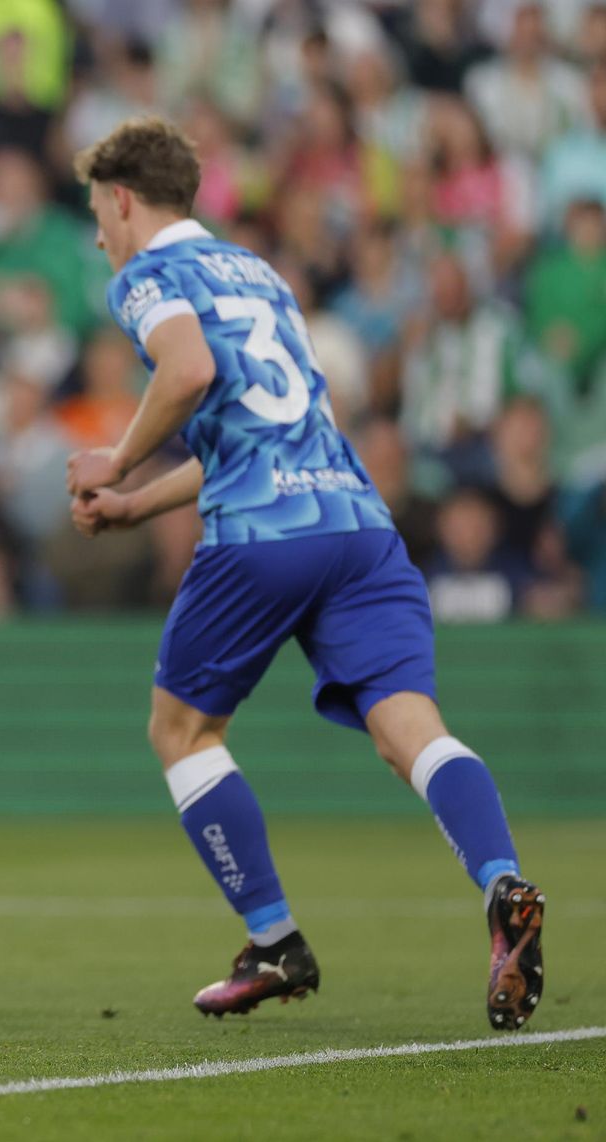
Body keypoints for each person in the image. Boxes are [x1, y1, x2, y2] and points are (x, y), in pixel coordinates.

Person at [65, 119, 545, 1030]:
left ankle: (275, 940)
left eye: (98, 211)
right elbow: (254, 421)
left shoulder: (147, 276)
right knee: (411, 731)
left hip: (260, 534)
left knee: (181, 730)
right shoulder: (261, 274)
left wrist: (115, 464)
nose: (98, 234)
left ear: (123, 200)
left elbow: (190, 370)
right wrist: (137, 508)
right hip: (358, 525)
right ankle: (502, 883)